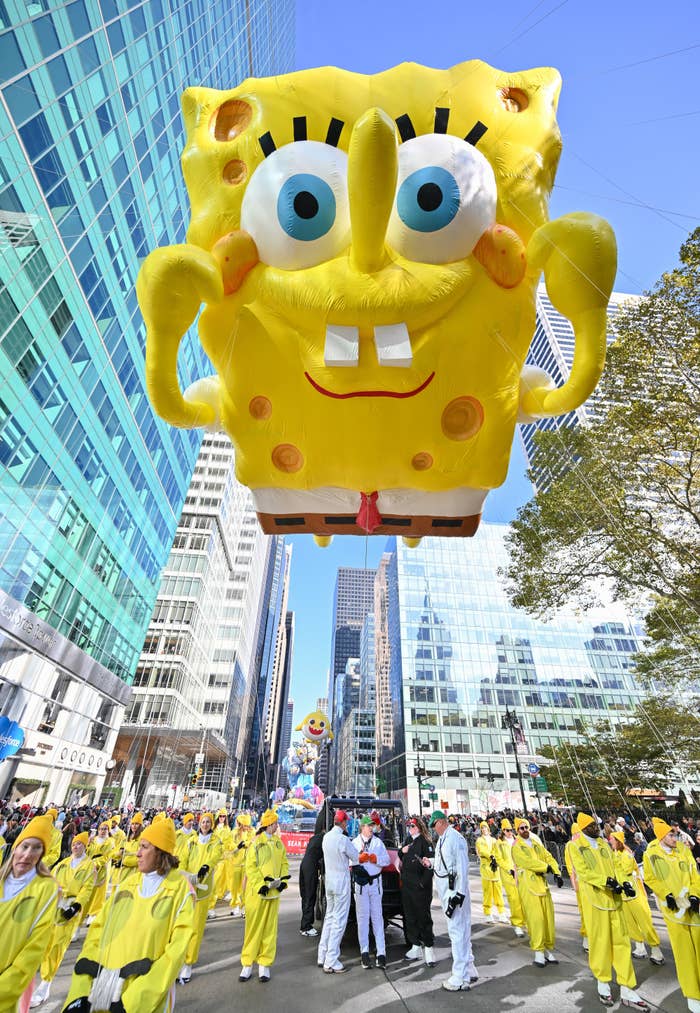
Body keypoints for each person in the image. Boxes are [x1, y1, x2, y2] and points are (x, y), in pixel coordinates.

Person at [62, 816, 194, 1013]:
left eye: (144, 847)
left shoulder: (181, 891)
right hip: (103, 994)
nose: (137, 854)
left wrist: (132, 1003)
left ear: (160, 852)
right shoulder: (126, 886)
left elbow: (176, 952)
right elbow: (96, 935)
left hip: (142, 1001)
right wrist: (79, 994)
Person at [570, 813, 649, 1010]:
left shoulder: (605, 844)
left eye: (596, 825)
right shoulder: (574, 846)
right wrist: (604, 882)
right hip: (595, 902)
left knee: (622, 943)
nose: (596, 828)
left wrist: (624, 884)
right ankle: (603, 982)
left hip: (614, 901)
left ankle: (627, 988)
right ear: (583, 827)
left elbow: (614, 867)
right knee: (600, 943)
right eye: (591, 826)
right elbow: (583, 871)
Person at [0, 815, 59, 1011]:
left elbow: (34, 949)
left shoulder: (47, 889)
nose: (27, 855)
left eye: (36, 848)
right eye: (24, 846)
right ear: (15, 847)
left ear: (43, 854)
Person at [31, 832, 97, 1008]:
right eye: (74, 844)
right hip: (54, 906)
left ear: (85, 846)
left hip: (69, 910)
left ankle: (44, 986)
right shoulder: (64, 863)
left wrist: (76, 906)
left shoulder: (89, 866)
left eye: (79, 844)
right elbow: (49, 879)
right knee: (43, 943)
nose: (75, 847)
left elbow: (87, 889)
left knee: (56, 947)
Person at [643, 816, 700, 1013]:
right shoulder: (651, 854)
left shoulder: (683, 850)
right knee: (684, 953)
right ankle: (693, 995)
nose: (675, 838)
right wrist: (665, 895)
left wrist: (695, 896)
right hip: (673, 911)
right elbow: (650, 877)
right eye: (671, 835)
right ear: (661, 836)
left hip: (692, 908)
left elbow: (694, 874)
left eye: (674, 834)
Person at [427, 810, 478, 992]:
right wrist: (431, 862)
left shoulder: (455, 838)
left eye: (435, 825)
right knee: (461, 931)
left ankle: (459, 976)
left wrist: (459, 894)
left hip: (454, 892)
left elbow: (462, 868)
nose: (434, 829)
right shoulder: (444, 838)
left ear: (441, 822)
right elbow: (444, 863)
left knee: (457, 933)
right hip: (449, 890)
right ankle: (469, 968)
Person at [239, 809, 290, 983]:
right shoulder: (256, 843)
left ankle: (264, 964)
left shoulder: (278, 843)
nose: (277, 826)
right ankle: (247, 964)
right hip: (257, 895)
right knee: (253, 930)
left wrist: (283, 880)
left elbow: (284, 862)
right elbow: (250, 867)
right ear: (268, 824)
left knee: (269, 930)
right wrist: (260, 885)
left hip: (273, 894)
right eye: (275, 823)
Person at [178, 811, 223, 983]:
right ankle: (179, 959)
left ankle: (188, 963)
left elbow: (214, 857)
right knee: (182, 925)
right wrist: (183, 873)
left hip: (203, 891)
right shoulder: (191, 841)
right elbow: (182, 859)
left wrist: (205, 868)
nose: (204, 824)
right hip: (187, 888)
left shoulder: (215, 841)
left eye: (207, 822)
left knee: (196, 928)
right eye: (202, 821)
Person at [511, 817, 561, 968]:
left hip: (542, 885)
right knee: (535, 919)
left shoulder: (536, 844)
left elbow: (549, 856)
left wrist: (557, 872)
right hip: (528, 886)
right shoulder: (516, 846)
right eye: (521, 828)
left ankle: (547, 949)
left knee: (547, 918)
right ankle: (538, 951)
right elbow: (527, 862)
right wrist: (546, 868)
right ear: (517, 831)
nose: (525, 830)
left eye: (526, 827)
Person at [610, 830, 664, 965]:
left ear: (618, 840)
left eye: (612, 839)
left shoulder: (626, 854)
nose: (610, 841)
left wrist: (615, 862)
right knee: (630, 923)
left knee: (644, 922)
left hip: (634, 894)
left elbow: (626, 871)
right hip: (623, 896)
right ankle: (640, 947)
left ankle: (656, 950)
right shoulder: (615, 854)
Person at [317, 809, 360, 974]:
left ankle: (322, 955)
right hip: (341, 883)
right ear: (343, 822)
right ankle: (331, 960)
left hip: (329, 883)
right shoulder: (343, 840)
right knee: (339, 922)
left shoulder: (326, 837)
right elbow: (355, 857)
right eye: (346, 822)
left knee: (329, 918)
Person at [352, 816, 391, 969]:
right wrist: (358, 859)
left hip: (375, 883)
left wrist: (376, 859)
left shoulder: (378, 842)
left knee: (377, 917)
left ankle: (381, 953)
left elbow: (386, 860)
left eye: (372, 826)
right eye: (369, 826)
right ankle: (364, 952)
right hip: (361, 884)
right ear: (362, 827)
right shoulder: (354, 843)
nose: (371, 828)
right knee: (362, 918)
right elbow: (347, 861)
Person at [398, 815, 435, 965]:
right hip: (407, 885)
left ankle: (429, 947)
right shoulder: (408, 841)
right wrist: (402, 851)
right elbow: (401, 855)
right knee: (410, 916)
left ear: (419, 826)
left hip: (420, 888)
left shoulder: (426, 842)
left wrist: (422, 883)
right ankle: (415, 945)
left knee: (423, 917)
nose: (410, 829)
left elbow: (430, 864)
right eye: (409, 826)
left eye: (412, 826)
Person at [494, 819, 526, 938]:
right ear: (503, 831)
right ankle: (517, 924)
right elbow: (499, 859)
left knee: (524, 898)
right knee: (514, 899)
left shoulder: (518, 840)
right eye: (507, 830)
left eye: (511, 830)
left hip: (521, 872)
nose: (509, 832)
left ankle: (526, 921)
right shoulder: (499, 843)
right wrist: (509, 869)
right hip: (508, 875)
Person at [476, 820, 507, 924]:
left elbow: (496, 849)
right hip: (486, 870)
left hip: (495, 870)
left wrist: (495, 858)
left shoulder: (494, 840)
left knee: (498, 892)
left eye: (485, 827)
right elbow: (482, 850)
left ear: (488, 829)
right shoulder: (479, 840)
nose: (484, 829)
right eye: (482, 828)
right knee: (487, 893)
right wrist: (491, 856)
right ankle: (488, 914)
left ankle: (501, 913)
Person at [564, 822, 589, 951]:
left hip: (589, 882)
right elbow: (570, 866)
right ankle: (586, 938)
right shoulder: (571, 845)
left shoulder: (584, 843)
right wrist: (574, 883)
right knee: (584, 910)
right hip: (581, 882)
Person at [299, 813, 324, 937]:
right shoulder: (324, 838)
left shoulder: (314, 838)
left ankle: (305, 924)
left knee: (305, 896)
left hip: (304, 865)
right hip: (310, 868)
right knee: (310, 896)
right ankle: (306, 926)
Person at [85, 821, 114, 922]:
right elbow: (88, 852)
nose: (103, 831)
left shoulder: (110, 841)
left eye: (105, 829)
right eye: (101, 829)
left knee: (100, 890)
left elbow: (107, 856)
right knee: (88, 888)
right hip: (90, 867)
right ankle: (85, 911)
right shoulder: (93, 840)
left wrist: (96, 863)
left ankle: (95, 913)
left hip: (103, 867)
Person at [229, 813, 254, 918]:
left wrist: (248, 844)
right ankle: (235, 905)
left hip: (247, 864)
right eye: (244, 825)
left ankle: (244, 906)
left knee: (245, 888)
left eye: (247, 825)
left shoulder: (252, 832)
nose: (246, 827)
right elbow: (230, 846)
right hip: (236, 864)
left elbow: (253, 843)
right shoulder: (234, 833)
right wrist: (238, 846)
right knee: (235, 887)